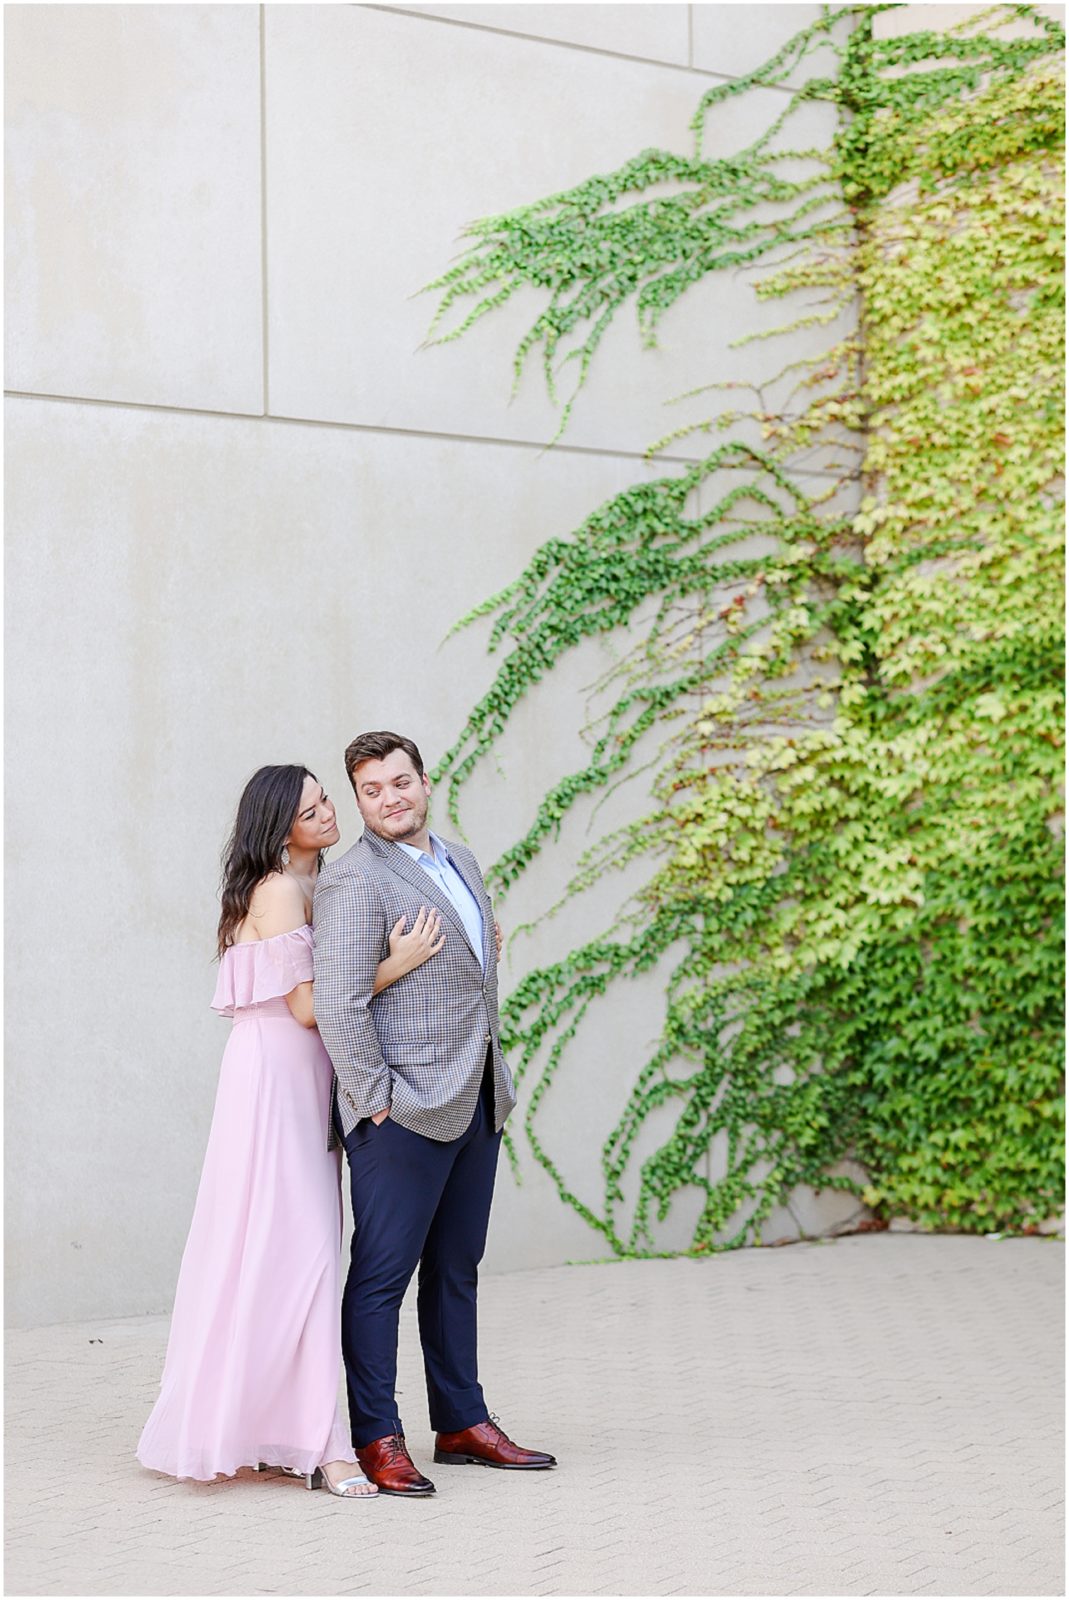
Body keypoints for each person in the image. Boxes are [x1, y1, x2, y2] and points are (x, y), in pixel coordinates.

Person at [137, 764, 444, 1497]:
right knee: (302, 1255)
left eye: (326, 799)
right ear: (279, 826)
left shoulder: (320, 883)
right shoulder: (279, 891)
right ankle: (327, 1448)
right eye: (310, 809)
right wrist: (395, 965)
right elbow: (310, 1009)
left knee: (289, 1256)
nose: (329, 814)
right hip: (275, 1079)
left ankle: (283, 1430)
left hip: (304, 1076)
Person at [313, 731, 556, 1496]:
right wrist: (376, 1102)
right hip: (401, 1112)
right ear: (358, 800)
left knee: (456, 1270)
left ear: (424, 782)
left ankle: (460, 1422)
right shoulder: (354, 882)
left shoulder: (460, 860)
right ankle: (377, 1437)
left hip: (474, 1096)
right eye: (372, 790)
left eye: (399, 783)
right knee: (381, 1278)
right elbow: (339, 1005)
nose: (389, 798)